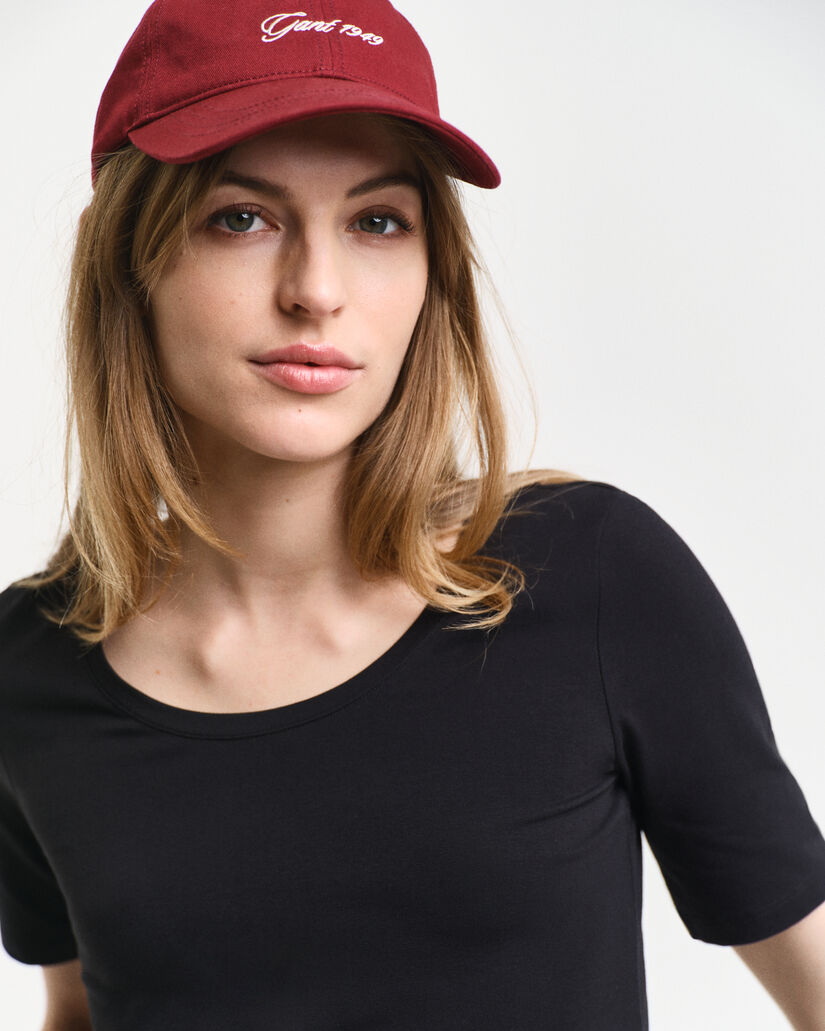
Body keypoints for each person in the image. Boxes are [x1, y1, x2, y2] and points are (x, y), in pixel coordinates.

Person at [1, 1, 824, 1028]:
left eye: (377, 221)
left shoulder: (593, 580)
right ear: (125, 253)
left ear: (433, 268)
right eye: (240, 217)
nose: (317, 290)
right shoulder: (29, 667)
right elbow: (76, 1010)